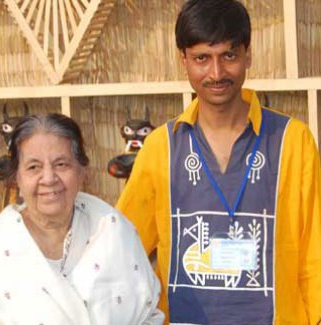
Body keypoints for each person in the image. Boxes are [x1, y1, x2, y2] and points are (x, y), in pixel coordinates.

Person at [116, 0, 321, 324]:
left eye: (228, 55)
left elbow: (315, 259)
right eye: (202, 58)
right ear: (183, 59)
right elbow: (122, 250)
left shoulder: (292, 142)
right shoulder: (161, 148)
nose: (216, 73)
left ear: (247, 54)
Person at [0, 113, 164, 325]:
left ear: (82, 172)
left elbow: (149, 317)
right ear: (17, 176)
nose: (49, 179)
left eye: (61, 164)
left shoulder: (114, 232)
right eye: (33, 167)